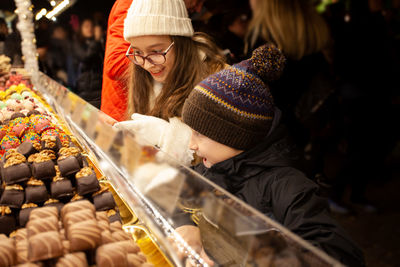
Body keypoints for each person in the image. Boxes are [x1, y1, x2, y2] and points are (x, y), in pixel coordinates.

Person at [179, 44, 365, 267]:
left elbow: (341, 255)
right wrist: (185, 225)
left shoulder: (288, 187)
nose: (191, 145)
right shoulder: (209, 169)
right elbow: (176, 198)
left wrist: (264, 254)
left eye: (199, 134)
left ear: (235, 135)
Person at [114, 0, 225, 165]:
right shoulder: (141, 77)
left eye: (157, 51)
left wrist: (169, 136)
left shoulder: (219, 79)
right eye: (137, 52)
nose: (147, 64)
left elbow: (225, 150)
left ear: (181, 43)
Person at [101, 0, 208, 121]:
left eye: (156, 51)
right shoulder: (137, 4)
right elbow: (114, 62)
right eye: (137, 52)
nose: (199, 8)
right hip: (121, 115)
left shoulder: (208, 84)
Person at [70, 17, 104, 108]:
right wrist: (96, 40)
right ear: (80, 29)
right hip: (85, 89)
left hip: (99, 87)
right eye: (86, 26)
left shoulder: (98, 42)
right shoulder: (76, 43)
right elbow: (85, 57)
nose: (90, 29)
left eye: (91, 26)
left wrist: (99, 41)